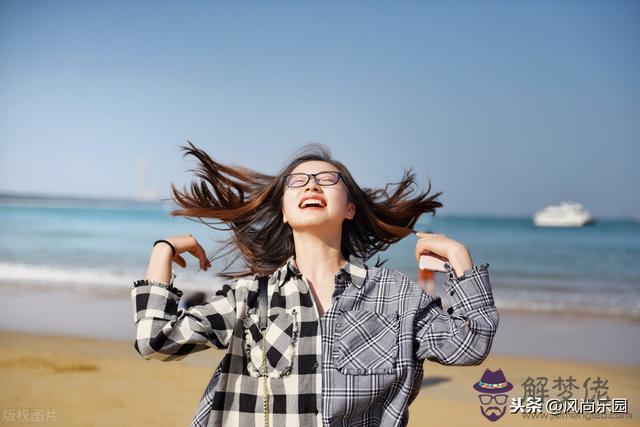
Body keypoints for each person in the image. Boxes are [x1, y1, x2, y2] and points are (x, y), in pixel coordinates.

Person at [130, 141, 499, 427]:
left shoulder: (397, 296)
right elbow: (155, 341)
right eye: (298, 181)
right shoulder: (250, 298)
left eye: (327, 180)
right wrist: (162, 252)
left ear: (350, 208)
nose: (312, 185)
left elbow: (470, 343)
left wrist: (460, 260)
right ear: (285, 212)